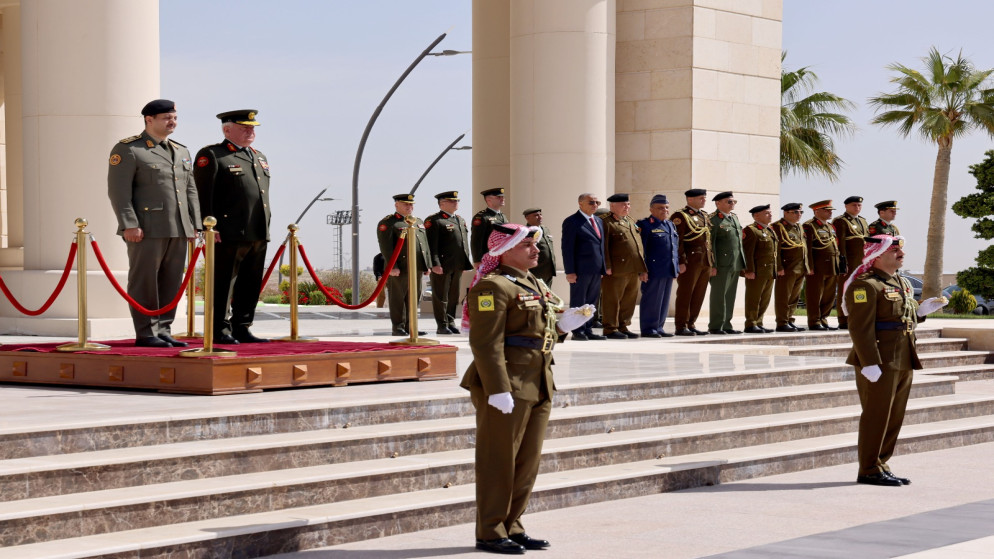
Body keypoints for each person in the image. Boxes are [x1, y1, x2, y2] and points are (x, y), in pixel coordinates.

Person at [459, 222, 593, 555]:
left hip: (539, 381)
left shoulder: (535, 283)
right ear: (505, 251)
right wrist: (497, 388)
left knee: (526, 461)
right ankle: (490, 531)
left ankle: (513, 525)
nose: (536, 250)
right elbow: (485, 342)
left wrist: (563, 326)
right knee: (498, 460)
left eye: (536, 246)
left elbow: (539, 329)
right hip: (508, 384)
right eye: (527, 246)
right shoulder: (493, 287)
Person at [842, 235, 946, 486]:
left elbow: (900, 316)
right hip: (880, 360)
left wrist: (920, 312)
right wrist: (869, 362)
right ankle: (868, 469)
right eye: (894, 250)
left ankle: (880, 464)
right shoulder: (865, 285)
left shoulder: (899, 282)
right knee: (876, 415)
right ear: (876, 255)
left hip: (903, 357)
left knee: (893, 416)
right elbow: (860, 328)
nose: (901, 254)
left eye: (901, 250)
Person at [108, 99, 200, 348]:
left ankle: (164, 330)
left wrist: (195, 224)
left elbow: (190, 190)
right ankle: (146, 332)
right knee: (144, 280)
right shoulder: (129, 149)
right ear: (149, 120)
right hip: (146, 228)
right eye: (166, 118)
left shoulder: (181, 151)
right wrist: (129, 223)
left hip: (178, 227)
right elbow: (119, 192)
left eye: (175, 117)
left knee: (171, 280)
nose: (172, 122)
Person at [194, 109, 271, 344]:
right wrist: (207, 227)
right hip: (226, 233)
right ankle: (218, 329)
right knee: (223, 283)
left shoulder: (258, 157)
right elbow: (202, 193)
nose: (251, 131)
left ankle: (242, 326)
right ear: (227, 129)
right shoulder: (213, 155)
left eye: (252, 127)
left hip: (257, 230)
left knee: (250, 283)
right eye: (244, 127)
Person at [376, 193, 432, 336]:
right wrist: (392, 266)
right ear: (397, 205)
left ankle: (411, 326)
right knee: (398, 298)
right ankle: (398, 326)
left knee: (414, 298)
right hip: (400, 268)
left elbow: (424, 245)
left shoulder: (417, 221)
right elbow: (386, 247)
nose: (409, 206)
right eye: (406, 204)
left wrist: (427, 265)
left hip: (417, 267)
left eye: (411, 204)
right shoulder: (389, 223)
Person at [599, 193, 648, 339]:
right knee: (612, 299)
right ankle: (610, 328)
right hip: (616, 269)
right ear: (612, 206)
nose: (627, 207)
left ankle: (623, 325)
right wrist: (606, 265)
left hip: (632, 268)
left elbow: (638, 247)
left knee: (629, 299)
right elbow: (604, 246)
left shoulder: (630, 221)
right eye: (623, 204)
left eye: (628, 204)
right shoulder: (605, 222)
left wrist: (642, 268)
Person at [561, 193, 608, 341]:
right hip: (580, 270)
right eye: (591, 202)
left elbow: (601, 247)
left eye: (597, 202)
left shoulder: (599, 221)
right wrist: (570, 271)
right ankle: (577, 330)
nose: (595, 205)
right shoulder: (572, 221)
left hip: (595, 269)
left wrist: (602, 268)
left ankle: (587, 328)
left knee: (591, 301)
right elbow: (567, 248)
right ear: (580, 203)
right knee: (579, 301)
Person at [425, 191, 472, 335]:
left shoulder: (460, 220)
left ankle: (450, 321)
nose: (455, 203)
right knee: (441, 296)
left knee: (453, 296)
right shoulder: (434, 221)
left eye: (456, 200)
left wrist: (465, 262)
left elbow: (463, 244)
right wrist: (435, 264)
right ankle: (442, 325)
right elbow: (431, 245)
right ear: (442, 203)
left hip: (457, 264)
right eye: (452, 201)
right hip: (442, 264)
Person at [671, 188, 714, 336]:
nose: (704, 200)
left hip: (704, 261)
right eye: (700, 198)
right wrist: (681, 261)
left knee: (698, 294)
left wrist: (711, 262)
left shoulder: (704, 216)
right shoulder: (680, 216)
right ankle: (681, 325)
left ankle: (691, 323)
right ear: (690, 199)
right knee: (685, 294)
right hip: (690, 261)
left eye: (704, 197)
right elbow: (678, 240)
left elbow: (708, 241)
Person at [637, 194, 679, 337]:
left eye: (666, 207)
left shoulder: (670, 224)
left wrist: (675, 268)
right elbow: (641, 249)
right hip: (653, 270)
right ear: (651, 209)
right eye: (660, 208)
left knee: (663, 301)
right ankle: (649, 328)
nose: (664, 210)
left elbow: (674, 248)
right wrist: (642, 270)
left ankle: (659, 327)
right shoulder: (645, 225)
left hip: (667, 269)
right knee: (652, 300)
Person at [708, 191, 745, 335]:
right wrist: (713, 265)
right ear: (718, 203)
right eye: (729, 202)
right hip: (721, 264)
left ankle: (726, 324)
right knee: (719, 295)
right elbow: (711, 244)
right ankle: (716, 325)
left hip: (734, 263)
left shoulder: (734, 218)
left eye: (734, 202)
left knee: (730, 296)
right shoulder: (713, 220)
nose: (732, 204)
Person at [804, 199, 841, 331]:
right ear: (817, 211)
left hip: (832, 266)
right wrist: (809, 266)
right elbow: (807, 249)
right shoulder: (809, 226)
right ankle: (814, 321)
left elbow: (835, 247)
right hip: (817, 268)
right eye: (826, 210)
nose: (830, 213)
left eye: (831, 210)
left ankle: (823, 319)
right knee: (815, 295)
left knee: (829, 296)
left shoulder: (830, 227)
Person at [772, 203, 811, 332]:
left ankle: (789, 319)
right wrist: (779, 267)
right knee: (784, 296)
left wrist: (807, 266)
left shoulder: (799, 227)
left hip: (800, 267)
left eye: (800, 212)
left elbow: (803, 248)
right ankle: (782, 322)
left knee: (794, 297)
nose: (798, 215)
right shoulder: (779, 227)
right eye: (795, 212)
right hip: (787, 267)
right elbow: (776, 250)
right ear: (786, 213)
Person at [833, 196, 868, 330]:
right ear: (846, 206)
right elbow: (840, 244)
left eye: (859, 205)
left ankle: (858, 316)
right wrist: (842, 262)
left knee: (860, 290)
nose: (857, 208)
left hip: (861, 264)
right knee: (845, 291)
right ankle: (843, 318)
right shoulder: (841, 221)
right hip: (849, 263)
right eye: (854, 205)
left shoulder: (863, 222)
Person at [742, 204, 778, 333]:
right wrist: (749, 270)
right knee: (754, 298)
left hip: (769, 271)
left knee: (764, 299)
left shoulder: (769, 230)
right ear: (756, 215)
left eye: (770, 212)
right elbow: (748, 252)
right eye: (767, 213)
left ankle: (759, 322)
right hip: (757, 271)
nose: (770, 215)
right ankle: (751, 323)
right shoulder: (751, 230)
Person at [470, 187, 507, 267]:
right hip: (488, 259)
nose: (502, 199)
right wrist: (477, 260)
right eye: (498, 197)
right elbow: (476, 240)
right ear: (489, 200)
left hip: (502, 257)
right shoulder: (482, 217)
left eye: (503, 197)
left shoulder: (503, 217)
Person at [523, 208, 557, 287]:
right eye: (536, 215)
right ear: (527, 218)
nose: (540, 217)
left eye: (540, 215)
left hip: (548, 270)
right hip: (536, 271)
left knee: (547, 295)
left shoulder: (545, 229)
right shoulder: (526, 232)